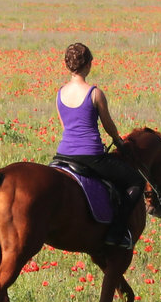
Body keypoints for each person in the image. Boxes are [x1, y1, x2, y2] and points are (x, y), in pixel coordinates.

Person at [54, 43, 144, 249]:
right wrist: (119, 141)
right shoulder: (95, 93)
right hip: (91, 155)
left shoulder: (60, 94)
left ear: (68, 65)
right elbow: (108, 125)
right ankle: (117, 233)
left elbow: (65, 126)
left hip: (63, 154)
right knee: (136, 182)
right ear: (88, 65)